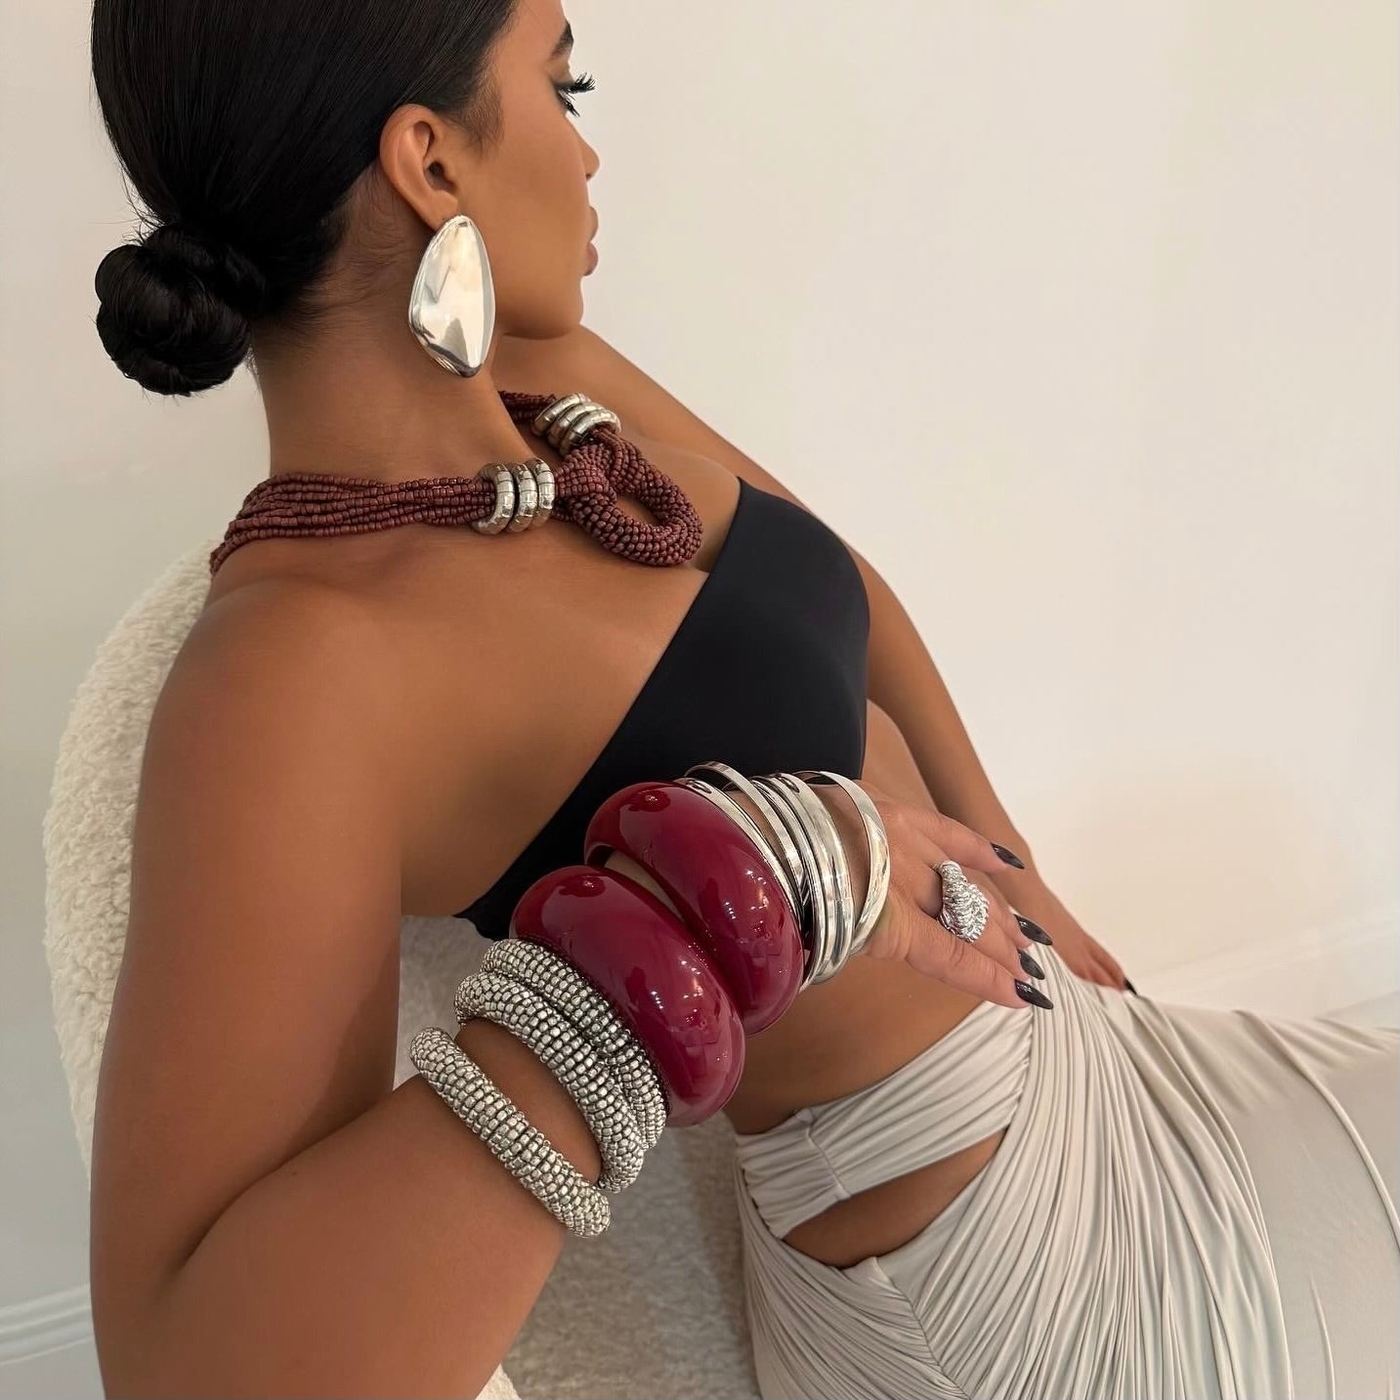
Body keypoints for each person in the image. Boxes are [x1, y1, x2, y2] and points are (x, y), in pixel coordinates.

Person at [86, 0, 1399, 1396]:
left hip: (1114, 1068)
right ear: (431, 160)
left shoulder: (546, 394)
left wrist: (1018, 870)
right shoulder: (297, 662)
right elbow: (187, 1367)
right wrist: (709, 914)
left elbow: (848, 588)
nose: (588, 155)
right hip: (1001, 1271)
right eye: (566, 87)